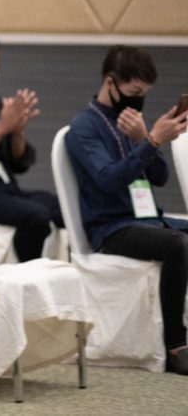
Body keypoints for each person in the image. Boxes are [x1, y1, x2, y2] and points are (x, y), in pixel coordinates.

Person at [65, 45, 188, 375]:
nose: (139, 101)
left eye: (144, 94)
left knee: (178, 238)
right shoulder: (84, 128)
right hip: (111, 229)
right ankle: (176, 344)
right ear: (110, 82)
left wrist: (143, 138)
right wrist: (152, 142)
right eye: (134, 93)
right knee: (176, 246)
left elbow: (159, 177)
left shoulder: (132, 123)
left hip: (146, 219)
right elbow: (108, 180)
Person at [0, 36, 63, 262]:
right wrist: (2, 128)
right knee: (37, 216)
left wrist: (18, 132)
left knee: (62, 207)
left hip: (8, 188)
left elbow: (19, 163)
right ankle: (26, 270)